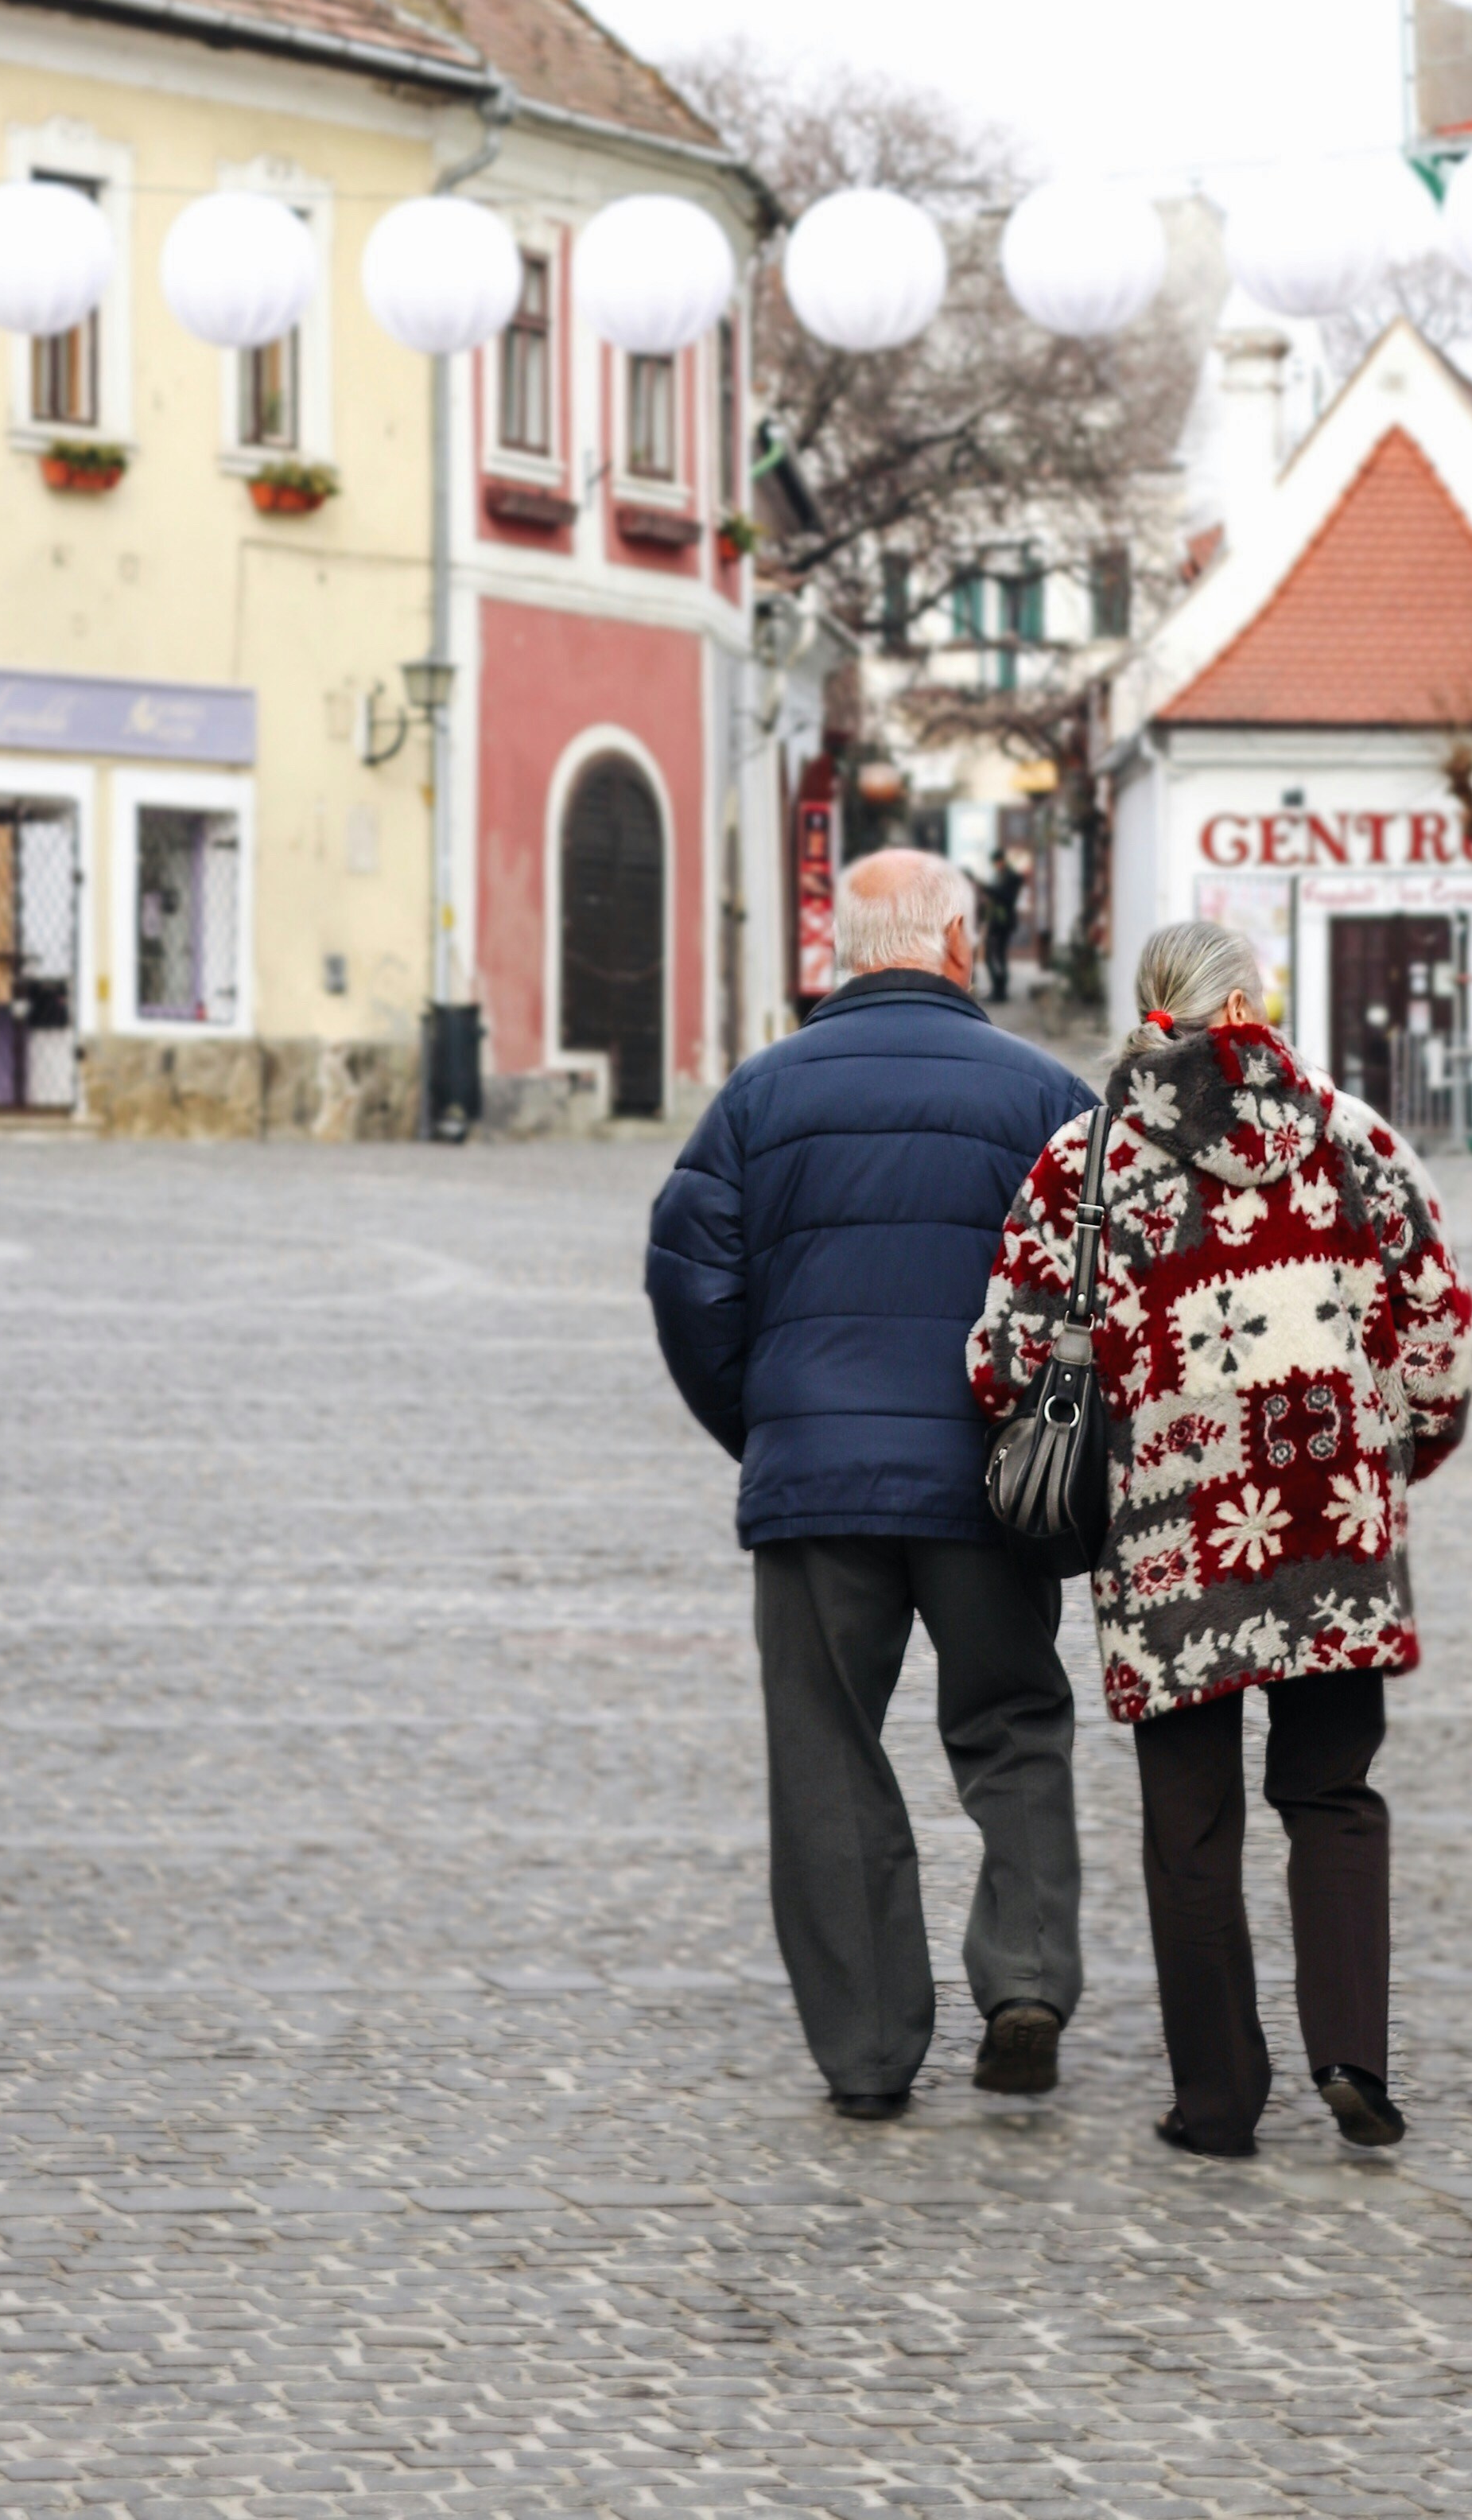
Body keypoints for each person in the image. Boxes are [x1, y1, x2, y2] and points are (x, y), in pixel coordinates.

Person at [968, 920, 1472, 2160]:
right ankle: (1351, 2055)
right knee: (1333, 1794)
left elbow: (1004, 1362)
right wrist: (1392, 1451)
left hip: (1174, 1530)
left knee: (1190, 1826)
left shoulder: (1082, 1165)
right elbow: (1437, 1344)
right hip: (1330, 1519)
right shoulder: (1357, 1142)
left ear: (1150, 1009)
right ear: (1253, 1003)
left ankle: (1217, 2103)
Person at [645, 848, 1096, 2122]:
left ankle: (867, 2051)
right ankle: (1024, 1978)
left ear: (845, 954)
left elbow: (690, 1279)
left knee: (827, 1752)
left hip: (816, 1481)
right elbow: (1092, 1289)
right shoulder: (1045, 1098)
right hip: (989, 1484)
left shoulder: (756, 1096)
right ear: (960, 948)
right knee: (1013, 1725)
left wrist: (767, 1422)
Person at [977, 850, 1024, 1005]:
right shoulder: (1001, 875)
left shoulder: (1011, 877)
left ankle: (1000, 991)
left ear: (1001, 861)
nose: (996, 866)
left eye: (997, 862)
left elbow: (1005, 896)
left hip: (1002, 923)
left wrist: (986, 888)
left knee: (996, 956)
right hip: (996, 921)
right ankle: (998, 989)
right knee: (994, 956)